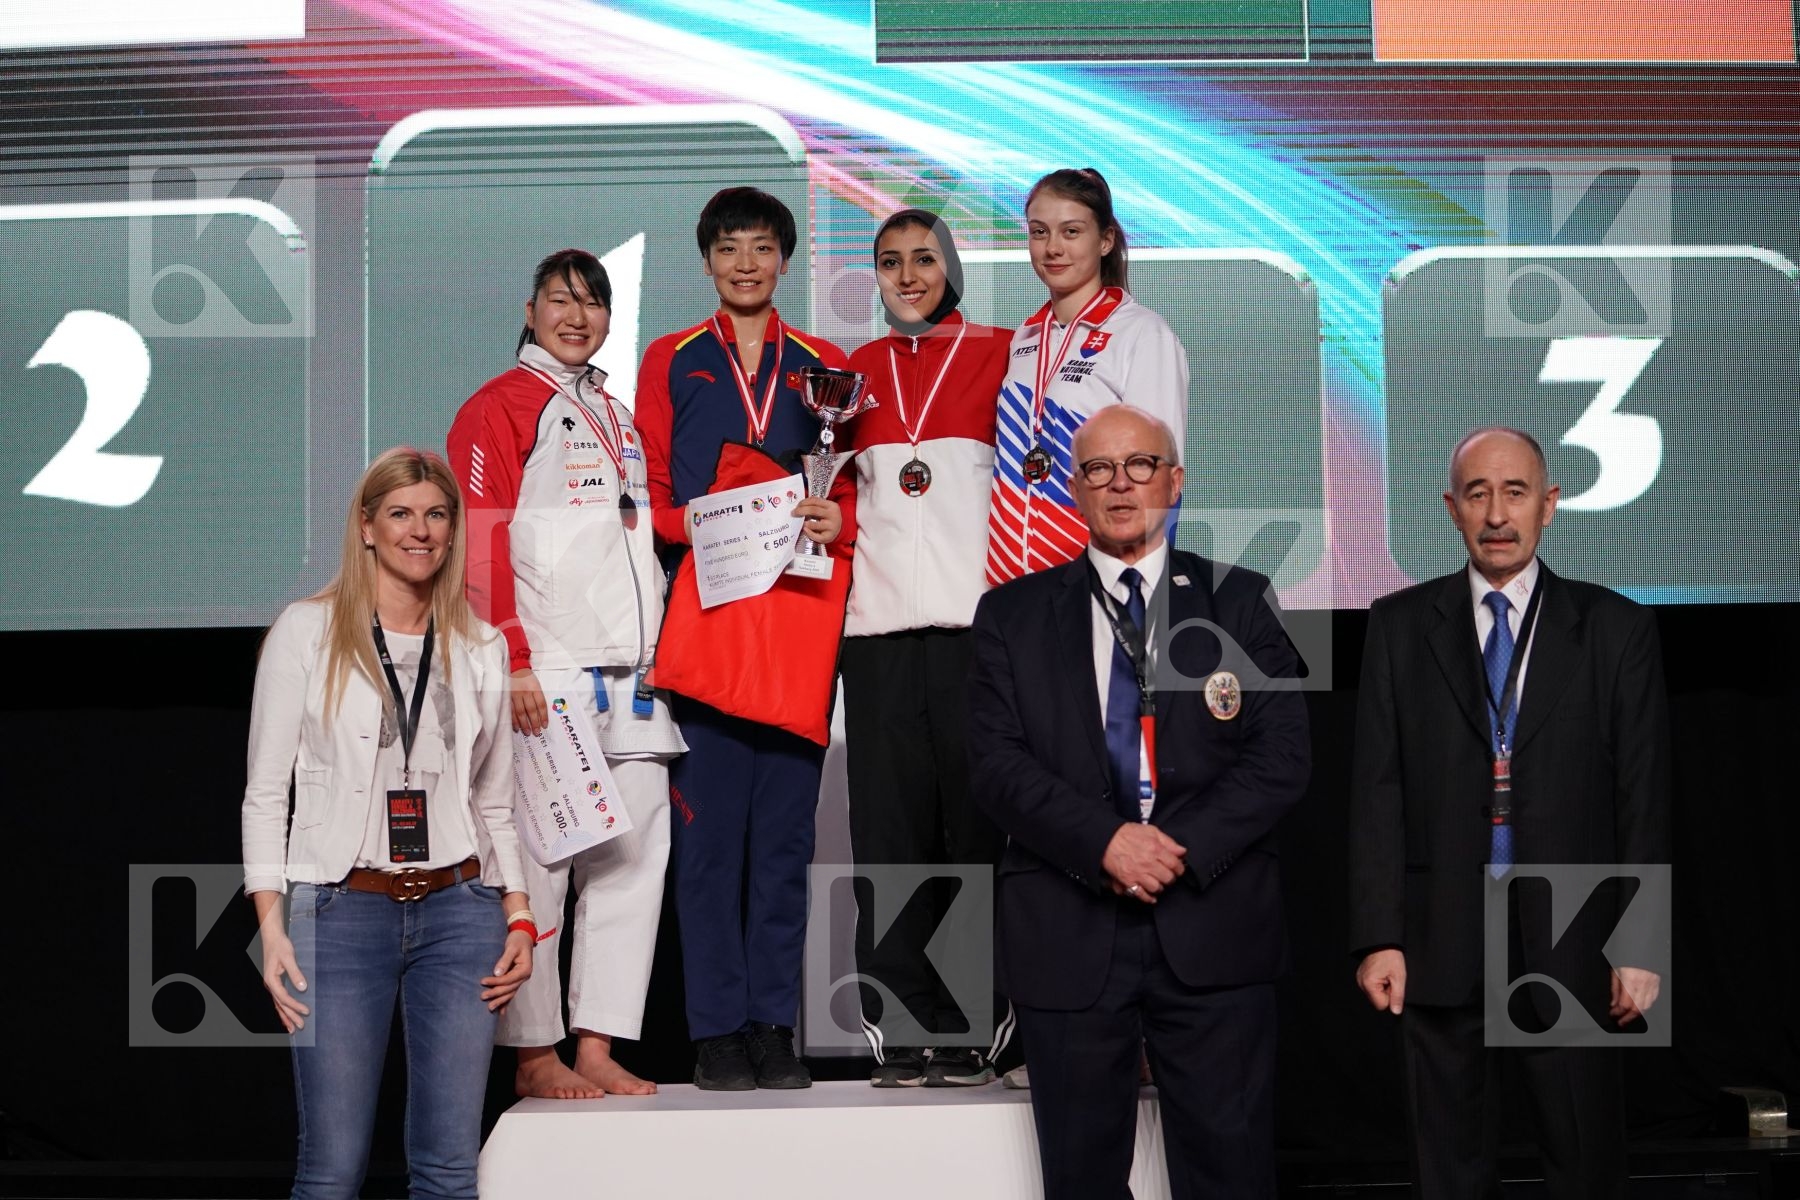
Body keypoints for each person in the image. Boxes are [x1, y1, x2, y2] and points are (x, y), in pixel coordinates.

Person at [967, 405, 1309, 1197]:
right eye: (1098, 469)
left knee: (1231, 1175)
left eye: (1140, 465)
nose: (1120, 485)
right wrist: (1106, 842)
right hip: (1070, 929)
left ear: (1175, 480)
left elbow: (1284, 757)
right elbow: (995, 766)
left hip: (1214, 926)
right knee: (1081, 1179)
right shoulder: (1009, 614)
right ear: (1074, 488)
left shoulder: (1244, 599)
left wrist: (1172, 850)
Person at [1349, 426, 1671, 1198]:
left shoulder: (1616, 628)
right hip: (1440, 936)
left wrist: (1640, 943)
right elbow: (1377, 791)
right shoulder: (1398, 625)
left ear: (1549, 504)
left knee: (1585, 1166)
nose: (1497, 514)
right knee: (1447, 1171)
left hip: (1575, 932)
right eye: (1479, 494)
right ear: (1452, 508)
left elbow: (1644, 794)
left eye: (1516, 493)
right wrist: (1379, 936)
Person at [242, 448, 533, 1200]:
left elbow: (495, 802)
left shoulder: (482, 646)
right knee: (332, 1171)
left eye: (436, 515)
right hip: (341, 911)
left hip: (460, 914)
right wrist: (271, 926)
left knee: (448, 1170)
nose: (420, 531)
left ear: (453, 529)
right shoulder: (305, 632)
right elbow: (266, 794)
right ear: (367, 527)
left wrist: (520, 916)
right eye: (400, 514)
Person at [446, 249, 684, 1100]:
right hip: (548, 670)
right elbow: (478, 539)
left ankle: (596, 1043)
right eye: (560, 300)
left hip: (636, 675)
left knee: (633, 860)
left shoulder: (616, 412)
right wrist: (509, 657)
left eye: (592, 304)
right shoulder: (499, 405)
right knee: (542, 864)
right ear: (530, 309)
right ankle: (532, 1051)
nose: (577, 317)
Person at [635, 186, 851, 1090]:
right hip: (711, 626)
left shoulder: (827, 365)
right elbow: (649, 495)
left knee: (783, 848)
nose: (746, 264)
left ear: (784, 260)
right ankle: (717, 1031)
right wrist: (702, 523)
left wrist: (834, 519)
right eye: (729, 248)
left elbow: (848, 498)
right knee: (710, 848)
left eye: (761, 247)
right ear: (707, 261)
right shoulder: (672, 357)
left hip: (796, 627)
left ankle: (773, 1026)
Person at [840, 208, 1013, 1087]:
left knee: (977, 831)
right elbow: (838, 498)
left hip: (976, 632)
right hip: (875, 637)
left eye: (923, 258)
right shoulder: (853, 374)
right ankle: (902, 1020)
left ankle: (974, 1017)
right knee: (891, 836)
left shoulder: (1003, 354)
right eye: (889, 262)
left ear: (951, 267)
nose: (908, 276)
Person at [984, 167, 1190, 587]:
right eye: (1039, 232)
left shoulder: (1141, 334)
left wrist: (1136, 591)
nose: (1052, 248)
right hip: (1014, 588)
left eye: (1071, 232)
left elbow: (1157, 480)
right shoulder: (1025, 339)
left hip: (1098, 584)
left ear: (1106, 240)